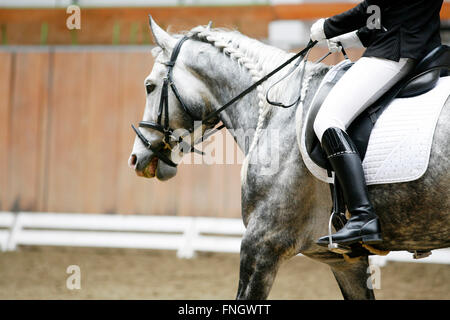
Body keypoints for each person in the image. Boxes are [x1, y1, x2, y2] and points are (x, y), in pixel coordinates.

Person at [309, 0, 443, 247]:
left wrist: (326, 28)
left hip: (394, 52)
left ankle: (362, 215)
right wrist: (352, 39)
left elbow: (372, 7)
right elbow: (385, 14)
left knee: (328, 121)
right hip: (418, 44)